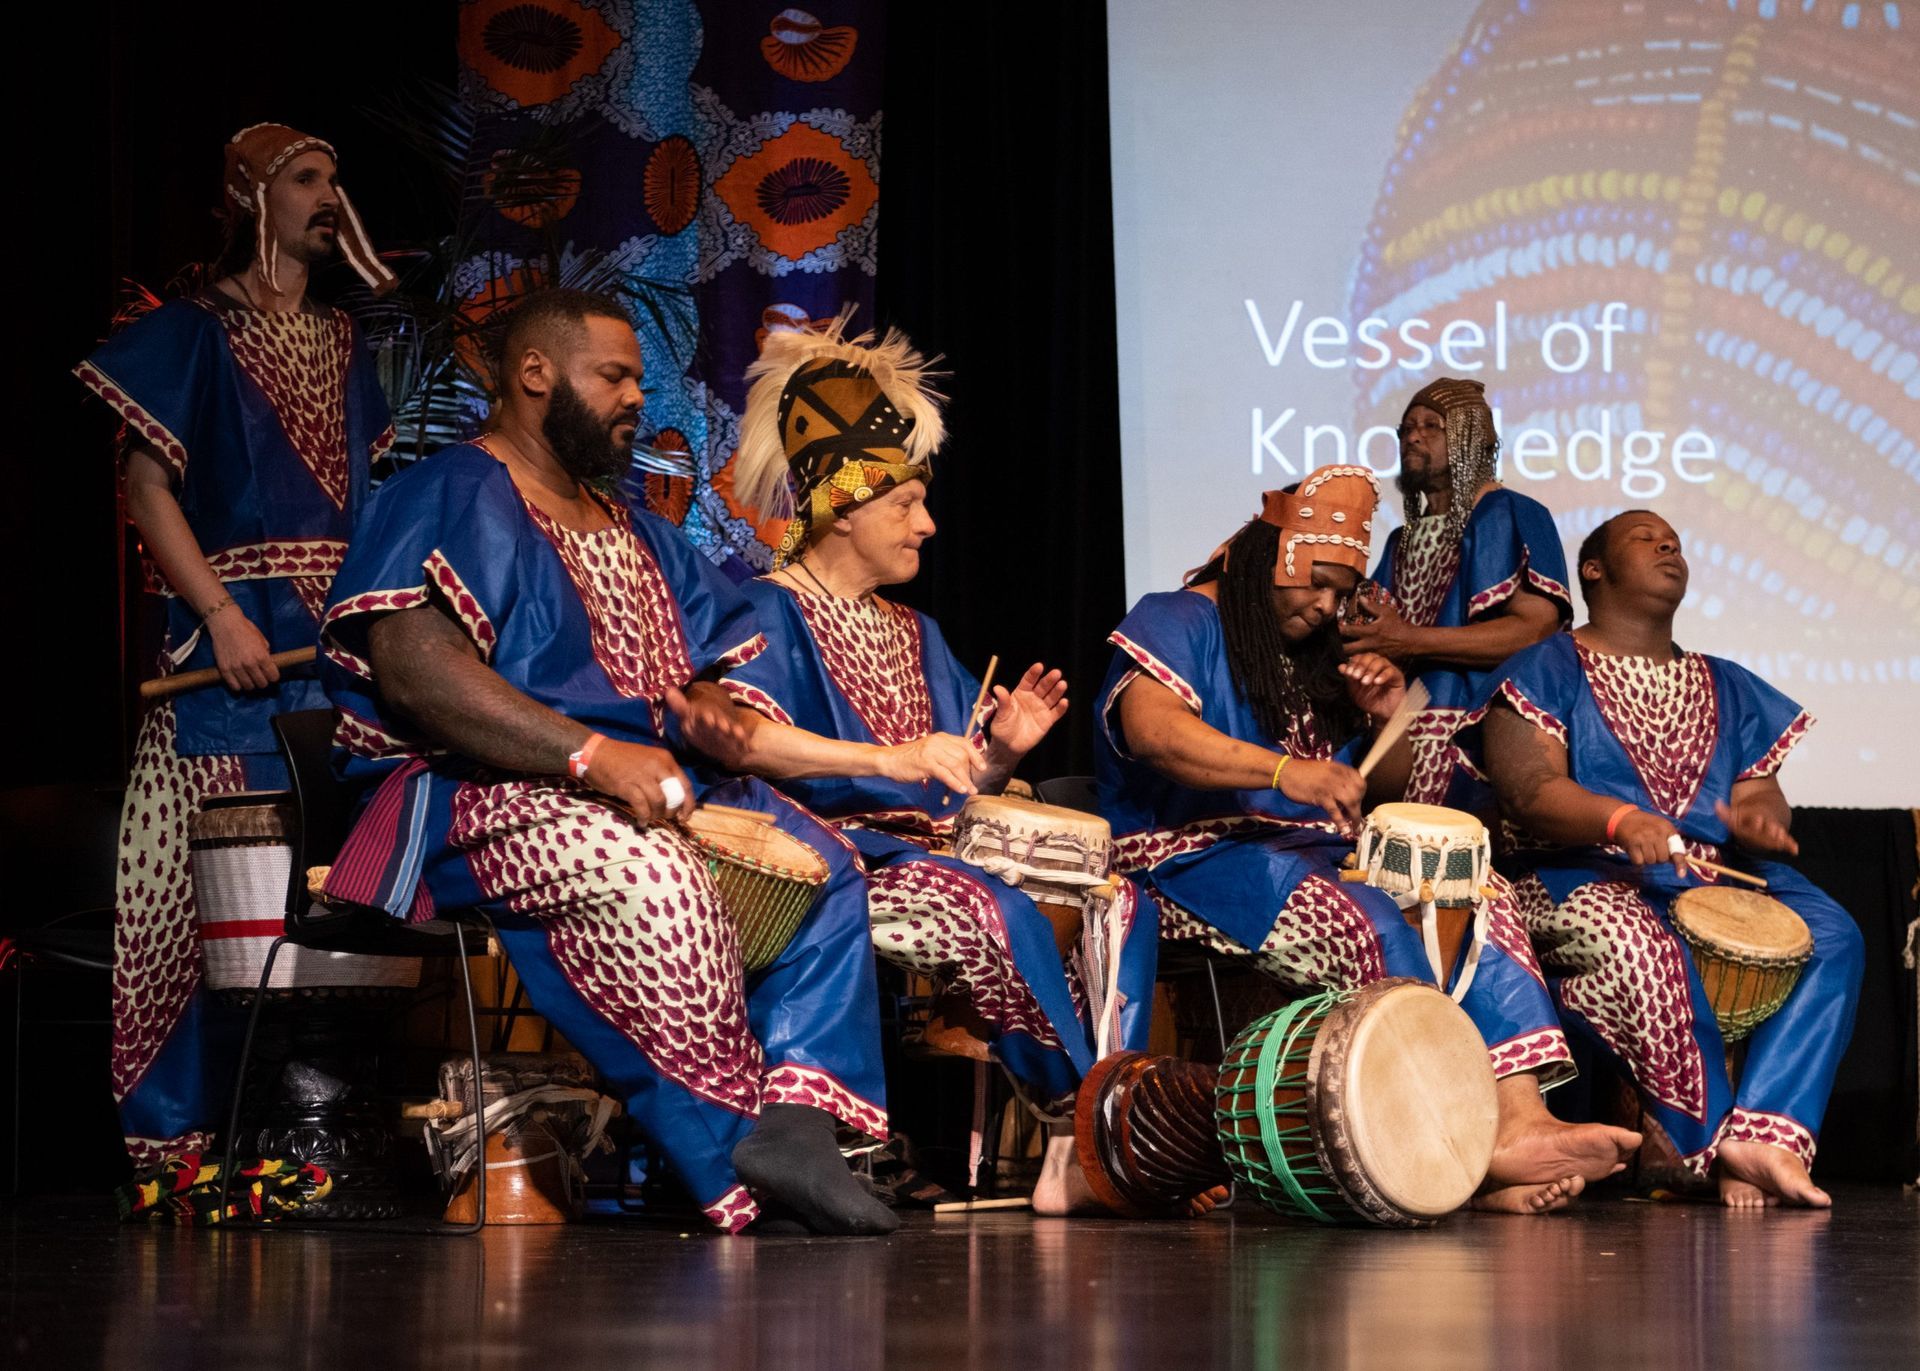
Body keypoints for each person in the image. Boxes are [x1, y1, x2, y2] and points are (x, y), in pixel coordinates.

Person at [319, 289, 894, 1235]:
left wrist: (705, 710)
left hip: (637, 787)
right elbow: (419, 674)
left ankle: (794, 1125)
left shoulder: (631, 526)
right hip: (476, 794)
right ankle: (728, 1170)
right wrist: (589, 753)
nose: (635, 397)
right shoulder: (451, 489)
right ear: (534, 374)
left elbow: (708, 671)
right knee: (660, 877)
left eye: (638, 379)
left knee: (823, 863)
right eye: (614, 376)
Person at [1097, 466, 1639, 1213]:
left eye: (1339, 593)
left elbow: (1387, 786)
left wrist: (1386, 716)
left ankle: (1512, 1120)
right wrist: (1288, 772)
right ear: (1268, 559)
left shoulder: (1314, 656)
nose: (1326, 607)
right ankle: (1433, 1155)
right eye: (1315, 583)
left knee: (1478, 894)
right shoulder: (1179, 617)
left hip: (1307, 853)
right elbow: (1154, 732)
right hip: (1187, 852)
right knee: (1368, 919)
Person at [716, 317, 1161, 1214]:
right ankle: (1084, 1126)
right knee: (977, 908)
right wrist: (896, 755)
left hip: (932, 848)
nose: (928, 522)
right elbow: (745, 739)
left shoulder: (916, 631)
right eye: (907, 503)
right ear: (843, 504)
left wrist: (996, 753)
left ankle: (1110, 1114)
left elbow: (953, 785)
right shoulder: (763, 608)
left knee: (1119, 896)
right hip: (836, 858)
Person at [73, 122, 396, 1173]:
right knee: (221, 903)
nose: (330, 196)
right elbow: (146, 486)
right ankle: (188, 1141)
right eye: (307, 177)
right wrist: (218, 612)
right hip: (235, 659)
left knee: (326, 898)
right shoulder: (193, 333)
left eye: (335, 178)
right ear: (251, 193)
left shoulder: (346, 340)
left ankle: (305, 1138)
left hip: (333, 660)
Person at [1473, 509, 1863, 1207]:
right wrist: (1619, 819)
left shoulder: (1728, 683)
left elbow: (1763, 794)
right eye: (1644, 538)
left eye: (1674, 541)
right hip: (1573, 874)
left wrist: (1760, 819)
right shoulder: (1543, 666)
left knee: (1831, 932)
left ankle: (1765, 1135)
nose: (1667, 545)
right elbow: (1530, 791)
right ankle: (1697, 1146)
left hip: (1704, 872)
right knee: (1644, 946)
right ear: (1593, 568)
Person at [1341, 378, 1570, 811]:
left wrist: (1411, 640)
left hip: (1477, 740)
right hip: (1397, 741)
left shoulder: (1512, 512)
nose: (1412, 435)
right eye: (1406, 427)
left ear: (1472, 438)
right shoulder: (1399, 540)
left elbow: (1537, 633)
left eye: (1432, 425)